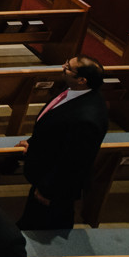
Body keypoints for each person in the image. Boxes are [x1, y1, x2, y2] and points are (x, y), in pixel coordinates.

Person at [18, 56, 109, 231]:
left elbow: (74, 162)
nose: (62, 67)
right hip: (45, 174)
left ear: (82, 80)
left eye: (68, 67)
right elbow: (56, 128)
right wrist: (34, 142)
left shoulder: (87, 119)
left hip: (54, 187)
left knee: (44, 226)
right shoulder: (76, 91)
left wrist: (47, 190)